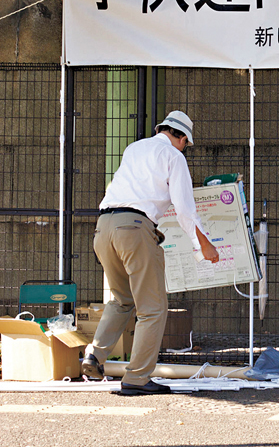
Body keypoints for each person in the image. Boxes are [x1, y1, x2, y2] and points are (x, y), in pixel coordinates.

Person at [80, 111, 219, 396]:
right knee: (153, 309)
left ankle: (94, 355)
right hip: (134, 228)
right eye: (185, 143)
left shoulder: (135, 148)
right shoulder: (174, 156)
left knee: (121, 299)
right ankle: (137, 378)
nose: (184, 148)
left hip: (103, 227)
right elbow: (184, 208)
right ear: (180, 137)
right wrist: (202, 244)